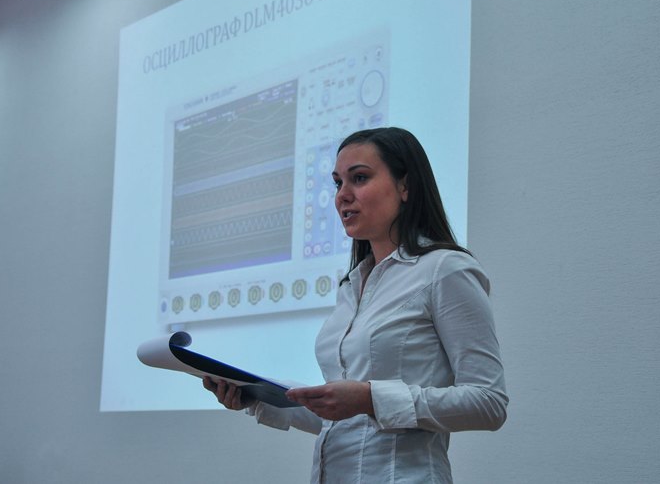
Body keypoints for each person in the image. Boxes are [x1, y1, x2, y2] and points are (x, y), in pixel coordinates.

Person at [204, 127, 507, 483]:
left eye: (359, 178)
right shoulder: (351, 286)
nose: (342, 196)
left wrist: (370, 398)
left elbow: (489, 403)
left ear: (406, 186)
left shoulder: (445, 270)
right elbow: (347, 421)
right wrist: (256, 397)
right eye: (337, 183)